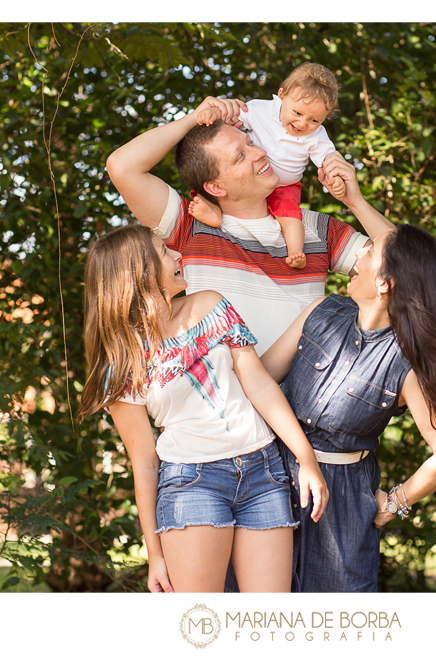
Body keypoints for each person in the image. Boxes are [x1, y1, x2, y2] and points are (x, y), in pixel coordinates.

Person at [76, 223, 328, 593]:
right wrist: (154, 553)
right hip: (192, 485)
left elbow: (258, 383)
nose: (178, 256)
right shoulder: (123, 362)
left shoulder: (211, 304)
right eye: (165, 251)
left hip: (263, 473)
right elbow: (144, 462)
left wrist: (305, 458)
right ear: (141, 272)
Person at [259, 224, 436, 592]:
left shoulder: (407, 365)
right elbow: (258, 382)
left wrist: (394, 503)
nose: (356, 254)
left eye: (369, 250)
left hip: (342, 505)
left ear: (385, 282)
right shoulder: (320, 311)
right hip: (270, 480)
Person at [106, 94, 394, 355]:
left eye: (251, 142)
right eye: (241, 156)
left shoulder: (315, 227)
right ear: (216, 187)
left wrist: (356, 201)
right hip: (232, 402)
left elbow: (403, 265)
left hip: (310, 400)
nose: (260, 153)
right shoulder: (190, 223)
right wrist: (194, 118)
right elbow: (122, 166)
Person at [188, 63, 346, 270]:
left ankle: (295, 251)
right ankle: (215, 213)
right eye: (297, 113)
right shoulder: (260, 109)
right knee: (216, 181)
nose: (302, 123)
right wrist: (212, 114)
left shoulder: (317, 136)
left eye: (314, 119)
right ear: (281, 95)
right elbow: (232, 117)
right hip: (249, 176)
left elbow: (328, 160)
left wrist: (336, 179)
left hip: (284, 186)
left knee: (290, 216)